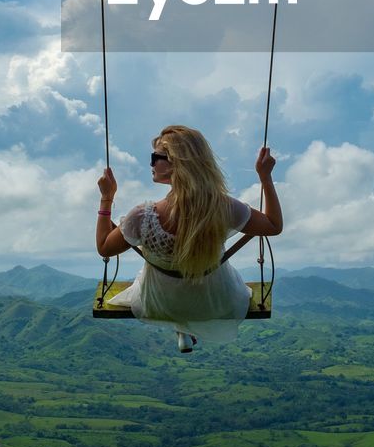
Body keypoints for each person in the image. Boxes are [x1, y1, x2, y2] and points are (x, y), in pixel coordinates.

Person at [94, 125, 283, 353]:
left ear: (176, 163)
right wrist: (265, 178)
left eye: (156, 157)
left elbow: (104, 247)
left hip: (159, 305)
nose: (151, 163)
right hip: (216, 303)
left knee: (150, 280)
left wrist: (106, 198)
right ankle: (185, 326)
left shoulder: (141, 217)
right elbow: (273, 225)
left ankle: (180, 326)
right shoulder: (223, 208)